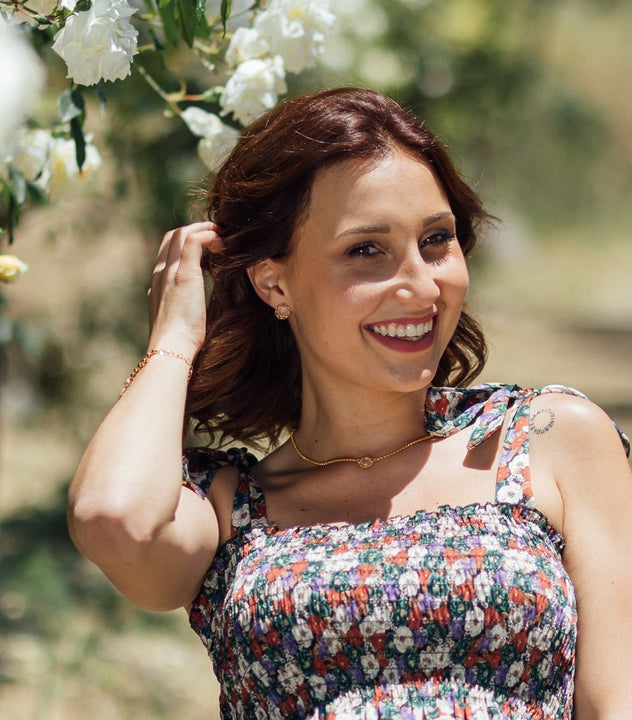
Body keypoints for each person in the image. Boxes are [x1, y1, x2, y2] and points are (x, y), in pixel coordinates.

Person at [68, 87, 632, 719]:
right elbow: (112, 519)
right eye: (367, 250)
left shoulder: (546, 442)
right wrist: (175, 340)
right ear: (273, 281)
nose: (421, 285)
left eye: (436, 241)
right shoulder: (230, 507)